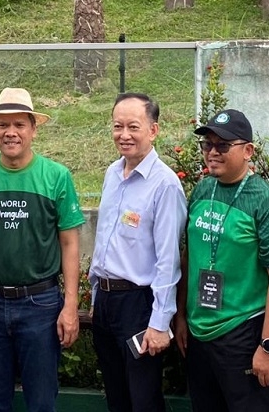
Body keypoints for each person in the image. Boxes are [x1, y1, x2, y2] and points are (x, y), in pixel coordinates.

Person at [0, 87, 85, 412]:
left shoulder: (56, 177)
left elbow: (70, 243)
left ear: (33, 129)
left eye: (19, 125)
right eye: (2, 125)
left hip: (40, 305)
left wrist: (70, 305)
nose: (10, 132)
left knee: (41, 401)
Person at [175, 109, 269, 412]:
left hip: (243, 333)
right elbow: (189, 256)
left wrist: (268, 347)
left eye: (223, 146)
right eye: (207, 145)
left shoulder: (268, 203)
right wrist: (180, 316)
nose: (212, 152)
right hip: (199, 331)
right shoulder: (203, 189)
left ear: (248, 151)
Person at [89, 93, 188, 412]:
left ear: (153, 130)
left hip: (139, 305)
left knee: (143, 399)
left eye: (133, 126)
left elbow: (168, 261)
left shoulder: (166, 185)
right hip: (105, 303)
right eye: (118, 126)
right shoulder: (111, 174)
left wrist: (160, 323)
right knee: (117, 396)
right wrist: (94, 298)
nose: (124, 134)